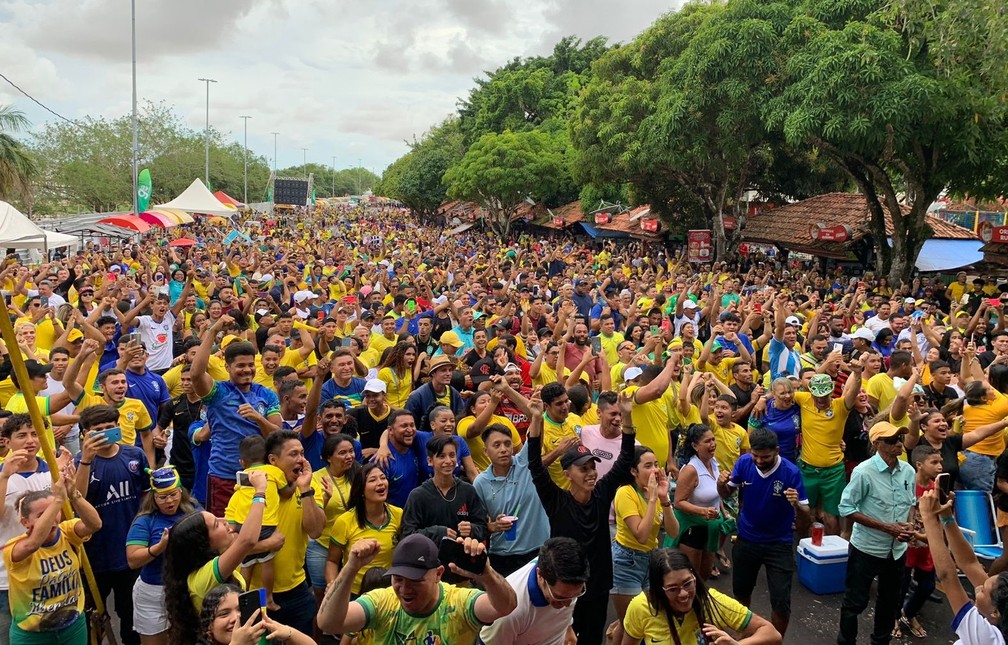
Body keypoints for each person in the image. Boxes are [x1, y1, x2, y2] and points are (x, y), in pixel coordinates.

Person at [527, 388, 636, 645]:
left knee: (592, 639)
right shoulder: (556, 502)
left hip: (596, 584)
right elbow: (534, 465)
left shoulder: (601, 493)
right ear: (567, 474)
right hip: (564, 589)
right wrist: (535, 420)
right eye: (583, 469)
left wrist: (628, 418)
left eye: (592, 467)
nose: (591, 473)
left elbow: (626, 458)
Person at [317, 533, 517, 643]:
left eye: (415, 580)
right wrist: (351, 568)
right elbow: (328, 624)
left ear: (438, 574)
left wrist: (487, 575)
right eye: (398, 579)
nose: (404, 589)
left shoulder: (459, 602)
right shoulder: (382, 601)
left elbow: (506, 606)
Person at [161, 469, 275, 644]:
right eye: (216, 524)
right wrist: (259, 492)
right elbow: (247, 541)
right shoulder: (203, 577)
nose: (224, 521)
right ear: (204, 544)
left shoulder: (219, 560)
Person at [718, 428, 809, 636]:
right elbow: (725, 493)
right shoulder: (744, 463)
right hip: (746, 540)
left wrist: (798, 507)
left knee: (781, 603)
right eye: (755, 455)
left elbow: (805, 523)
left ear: (777, 451)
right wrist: (720, 484)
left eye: (765, 456)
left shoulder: (791, 472)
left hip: (779, 544)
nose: (759, 460)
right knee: (741, 595)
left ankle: (774, 640)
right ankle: (745, 637)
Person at [190, 315, 282, 518]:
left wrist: (259, 418)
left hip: (259, 475)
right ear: (227, 367)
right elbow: (196, 374)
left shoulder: (266, 395)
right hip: (223, 476)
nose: (246, 370)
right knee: (224, 533)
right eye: (240, 366)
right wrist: (212, 330)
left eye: (250, 365)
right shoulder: (218, 393)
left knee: (258, 528)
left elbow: (278, 435)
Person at [74, 403, 151, 645]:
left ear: (118, 426)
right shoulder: (79, 463)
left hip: (130, 553)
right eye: (98, 429)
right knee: (91, 618)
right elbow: (77, 499)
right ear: (85, 433)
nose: (106, 432)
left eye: (110, 427)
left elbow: (147, 497)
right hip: (94, 556)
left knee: (131, 617)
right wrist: (86, 460)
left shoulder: (134, 455)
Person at [836, 421, 917, 645]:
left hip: (896, 551)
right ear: (877, 444)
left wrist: (909, 526)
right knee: (855, 603)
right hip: (867, 548)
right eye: (892, 441)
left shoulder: (908, 471)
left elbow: (910, 503)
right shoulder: (864, 472)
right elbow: (846, 508)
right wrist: (887, 528)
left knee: (889, 603)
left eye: (900, 439)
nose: (899, 445)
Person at [2, 475, 102, 644]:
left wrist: (73, 495)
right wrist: (57, 500)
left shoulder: (67, 532)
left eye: (56, 512)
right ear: (25, 522)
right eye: (42, 514)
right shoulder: (15, 548)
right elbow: (33, 544)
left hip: (72, 627)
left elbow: (95, 524)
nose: (52, 518)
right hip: (32, 635)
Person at [0, 413, 71, 642]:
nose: (30, 440)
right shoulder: (2, 474)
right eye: (21, 435)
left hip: (54, 573)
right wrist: (4, 477)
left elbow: (66, 515)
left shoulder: (51, 469)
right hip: (8, 577)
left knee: (59, 635)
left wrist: (65, 475)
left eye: (34, 434)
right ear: (7, 441)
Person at [620, 548, 782, 645]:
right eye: (673, 589)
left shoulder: (711, 601)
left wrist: (738, 644)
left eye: (687, 583)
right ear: (658, 589)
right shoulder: (641, 607)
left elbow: (772, 634)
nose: (683, 593)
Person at [919, 487, 1008, 645]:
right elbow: (969, 562)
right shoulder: (999, 613)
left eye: (983, 591)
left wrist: (929, 517)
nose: (978, 588)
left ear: (995, 612)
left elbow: (947, 577)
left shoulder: (988, 639)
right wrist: (947, 518)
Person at [609, 446, 679, 645]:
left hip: (651, 560)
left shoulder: (657, 493)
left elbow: (673, 531)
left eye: (657, 464)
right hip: (626, 562)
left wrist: (664, 499)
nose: (656, 470)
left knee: (644, 620)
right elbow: (641, 534)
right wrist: (652, 500)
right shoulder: (625, 493)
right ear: (633, 471)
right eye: (648, 466)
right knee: (630, 624)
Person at [125, 466, 200, 645]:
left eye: (174, 494)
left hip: (187, 588)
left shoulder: (194, 510)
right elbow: (132, 560)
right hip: (153, 591)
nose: (169, 501)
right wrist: (159, 548)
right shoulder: (145, 520)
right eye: (163, 497)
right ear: (154, 497)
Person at [473, 423, 551, 577]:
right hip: (502, 555)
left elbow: (538, 427)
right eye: (497, 445)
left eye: (507, 444)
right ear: (486, 451)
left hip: (538, 551)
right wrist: (494, 526)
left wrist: (535, 414)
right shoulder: (480, 482)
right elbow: (478, 524)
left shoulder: (526, 463)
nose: (503, 449)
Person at [478, 537, 587, 645]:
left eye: (575, 595)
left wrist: (568, 627)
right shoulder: (511, 610)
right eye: (560, 598)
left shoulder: (567, 584)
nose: (568, 604)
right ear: (540, 575)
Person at [224, 435, 285, 611]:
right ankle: (269, 598)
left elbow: (236, 499)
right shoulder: (274, 472)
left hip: (246, 525)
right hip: (267, 525)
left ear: (242, 462)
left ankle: (241, 600)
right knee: (267, 563)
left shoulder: (242, 478)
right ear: (267, 457)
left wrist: (232, 523)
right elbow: (284, 488)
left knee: (246, 565)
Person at [325, 463, 403, 597]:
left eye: (383, 478)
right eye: (373, 480)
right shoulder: (345, 521)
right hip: (354, 592)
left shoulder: (399, 515)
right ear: (361, 490)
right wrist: (333, 584)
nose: (380, 483)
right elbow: (332, 561)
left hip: (389, 592)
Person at [402, 435, 489, 548]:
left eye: (452, 455)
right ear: (430, 460)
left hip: (462, 560)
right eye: (441, 456)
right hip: (430, 561)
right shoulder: (418, 495)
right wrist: (437, 533)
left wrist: (471, 529)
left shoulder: (468, 491)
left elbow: (483, 528)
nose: (448, 461)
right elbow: (407, 535)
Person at [669, 424, 726, 581]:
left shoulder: (714, 463)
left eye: (713, 439)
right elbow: (679, 502)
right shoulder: (690, 470)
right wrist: (703, 512)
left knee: (705, 575)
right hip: (692, 530)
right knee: (692, 578)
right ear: (695, 445)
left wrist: (723, 511)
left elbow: (714, 493)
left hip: (710, 528)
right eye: (707, 441)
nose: (713, 444)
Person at [307, 433, 358, 604]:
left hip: (350, 543)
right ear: (328, 457)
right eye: (342, 453)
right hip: (322, 546)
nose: (349, 456)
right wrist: (326, 499)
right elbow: (311, 516)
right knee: (324, 597)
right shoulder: (316, 479)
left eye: (351, 451)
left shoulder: (358, 474)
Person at [196, 583, 316, 645]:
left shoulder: (262, 640)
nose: (236, 618)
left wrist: (289, 633)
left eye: (240, 610)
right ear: (209, 626)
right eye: (224, 614)